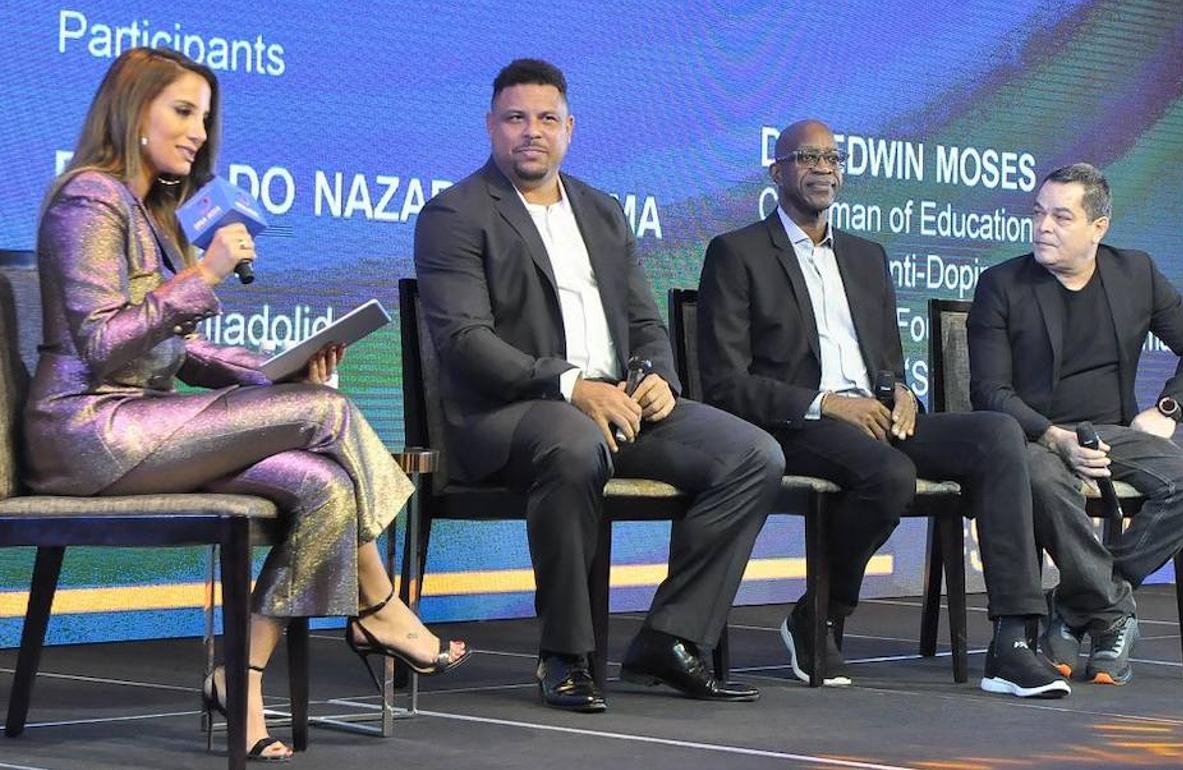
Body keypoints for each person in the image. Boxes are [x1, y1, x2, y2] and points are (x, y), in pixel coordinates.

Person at [25, 48, 469, 763]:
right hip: (87, 432)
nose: (199, 131)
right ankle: (381, 605)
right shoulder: (89, 198)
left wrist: (267, 372)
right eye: (183, 111)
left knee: (321, 485)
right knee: (323, 413)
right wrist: (203, 274)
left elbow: (174, 352)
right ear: (132, 109)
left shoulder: (152, 212)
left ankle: (241, 677)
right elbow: (104, 345)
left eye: (205, 117)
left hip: (143, 427)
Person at [414, 58, 784, 713]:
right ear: (491, 126)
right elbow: (466, 345)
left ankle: (670, 638)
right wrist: (572, 385)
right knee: (575, 444)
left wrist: (660, 378)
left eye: (547, 119)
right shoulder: (456, 213)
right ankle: (565, 655)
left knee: (753, 455)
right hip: (511, 415)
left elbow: (643, 319)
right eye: (516, 118)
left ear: (570, 128)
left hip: (617, 404)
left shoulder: (603, 211)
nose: (532, 131)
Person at [698, 119, 1069, 698]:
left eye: (832, 158)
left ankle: (1012, 642)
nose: (823, 168)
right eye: (807, 157)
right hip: (794, 425)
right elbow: (724, 383)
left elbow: (887, 363)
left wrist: (901, 392)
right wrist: (827, 403)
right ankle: (818, 612)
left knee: (997, 435)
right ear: (777, 172)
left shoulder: (867, 257)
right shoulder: (737, 253)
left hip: (874, 421)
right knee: (889, 473)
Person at [968, 162, 1183, 686]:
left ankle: (1079, 602)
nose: (1043, 226)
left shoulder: (1136, 273)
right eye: (1038, 213)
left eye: (1062, 216)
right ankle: (1111, 615)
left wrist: (1170, 408)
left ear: (1098, 228)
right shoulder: (1002, 285)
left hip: (1114, 430)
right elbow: (990, 393)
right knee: (1041, 475)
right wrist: (1055, 438)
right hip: (1032, 434)